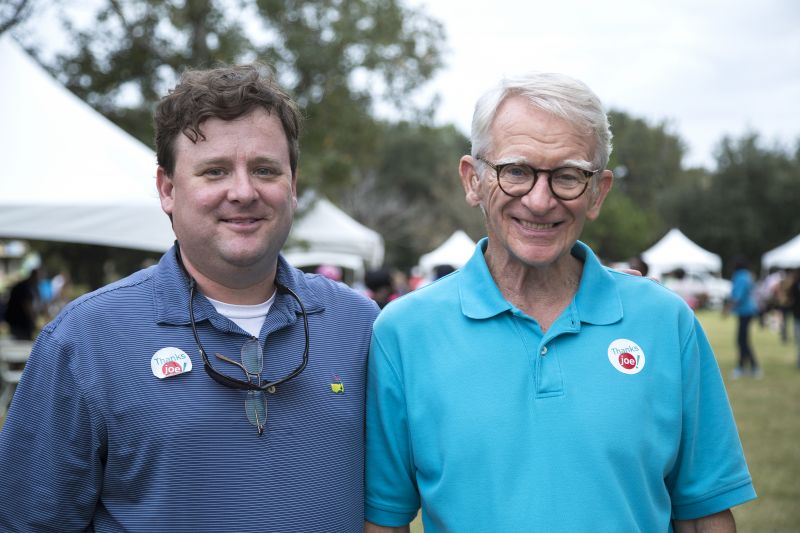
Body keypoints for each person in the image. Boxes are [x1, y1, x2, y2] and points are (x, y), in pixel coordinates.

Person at [365, 73, 756, 532]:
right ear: (473, 180)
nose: (540, 199)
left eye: (568, 176)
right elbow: (384, 522)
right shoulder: (404, 333)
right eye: (516, 171)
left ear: (598, 192)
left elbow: (703, 516)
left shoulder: (666, 322)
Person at [0, 64, 379, 532]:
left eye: (265, 170)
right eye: (214, 171)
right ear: (167, 189)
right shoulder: (84, 339)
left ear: (293, 186)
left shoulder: (361, 326)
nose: (243, 192)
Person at [730, 256, 761, 378]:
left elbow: (737, 296)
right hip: (748, 311)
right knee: (743, 340)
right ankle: (749, 367)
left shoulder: (740, 276)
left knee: (742, 341)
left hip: (745, 312)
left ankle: (748, 367)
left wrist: (727, 308)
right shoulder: (747, 275)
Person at [2, 268, 41, 340]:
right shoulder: (25, 287)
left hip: (18, 321)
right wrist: (34, 321)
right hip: (19, 322)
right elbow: (26, 305)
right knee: (22, 343)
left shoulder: (29, 286)